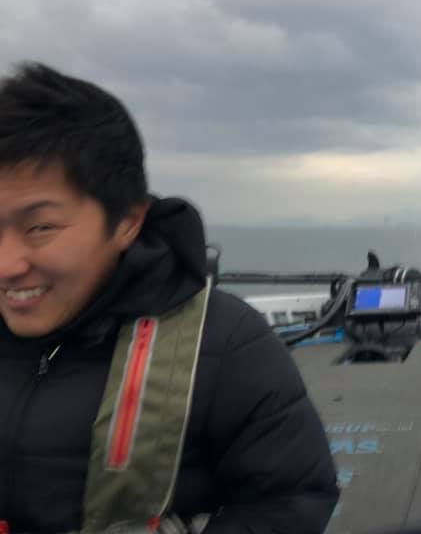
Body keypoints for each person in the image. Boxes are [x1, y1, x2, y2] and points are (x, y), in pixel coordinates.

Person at [0, 62, 340, 533]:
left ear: (126, 221)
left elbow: (291, 499)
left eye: (40, 227)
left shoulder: (224, 345)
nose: (7, 265)